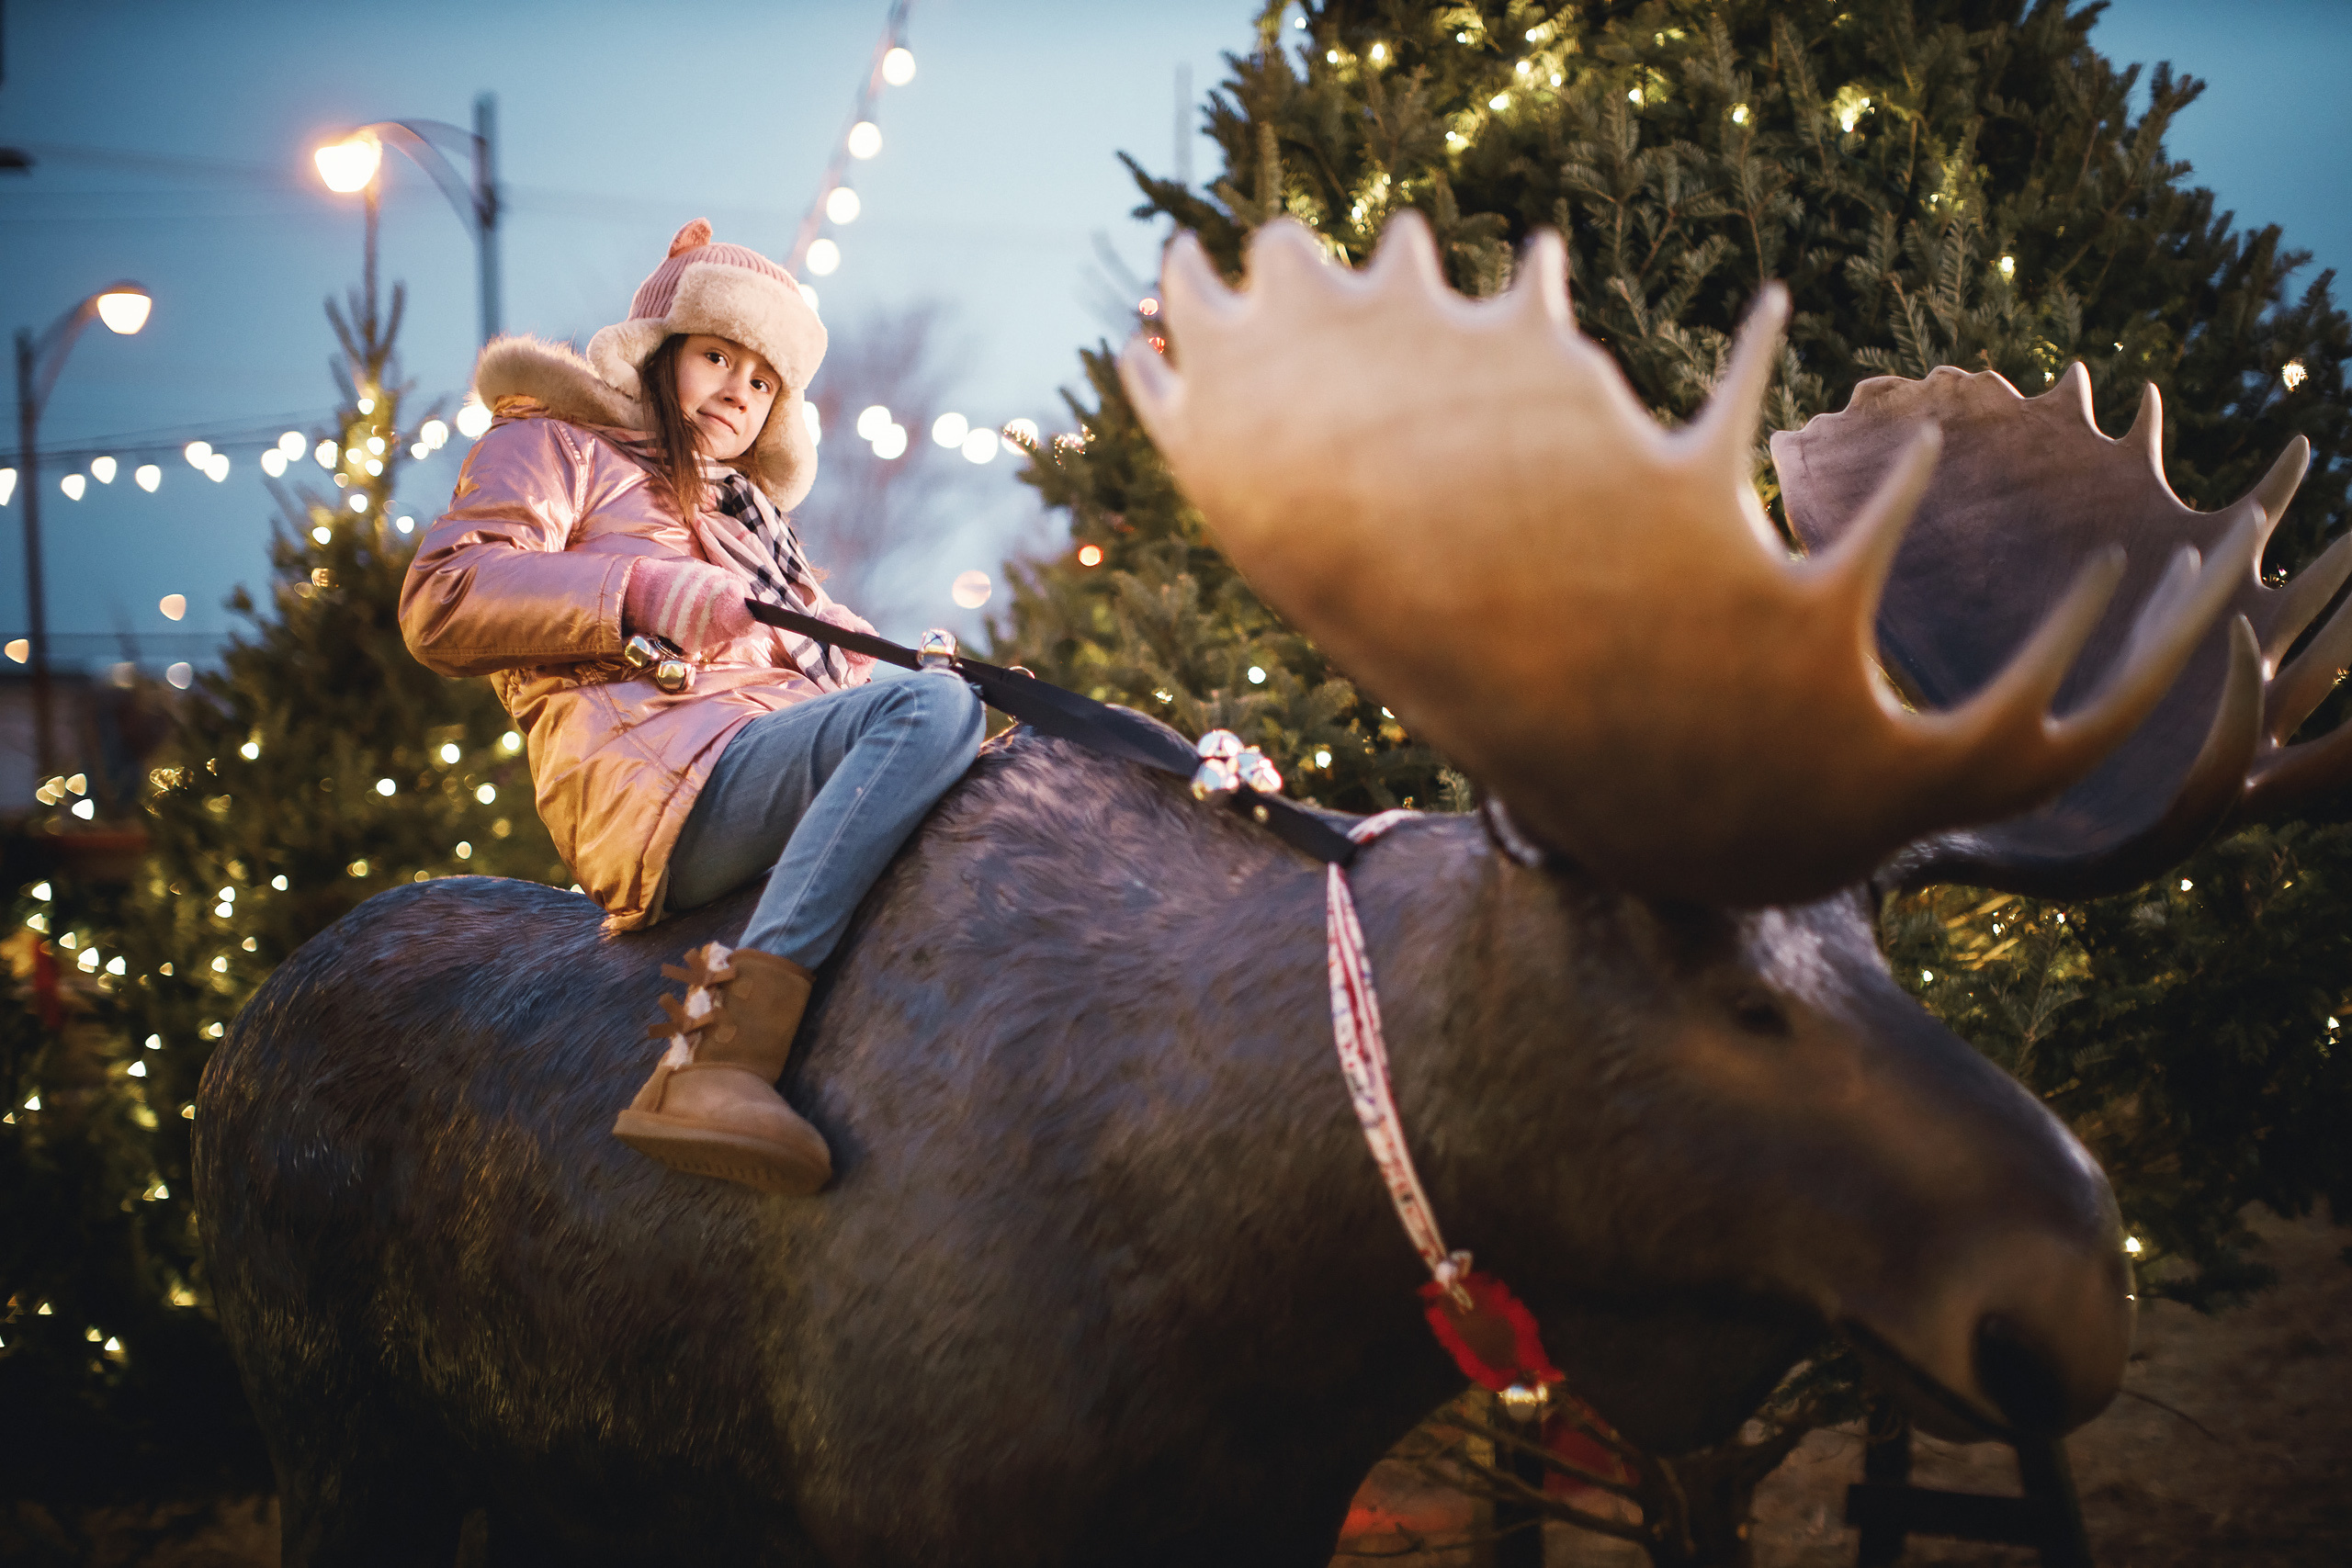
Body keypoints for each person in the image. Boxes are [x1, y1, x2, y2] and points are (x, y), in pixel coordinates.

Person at [400, 219, 984, 1198]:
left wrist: (933, 674)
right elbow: (442, 599)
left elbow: (828, 641)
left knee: (953, 717)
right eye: (717, 357)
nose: (737, 392)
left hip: (755, 749)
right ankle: (721, 1058)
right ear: (661, 355)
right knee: (922, 720)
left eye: (762, 382)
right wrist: (632, 592)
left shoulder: (748, 521)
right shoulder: (554, 444)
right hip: (661, 784)